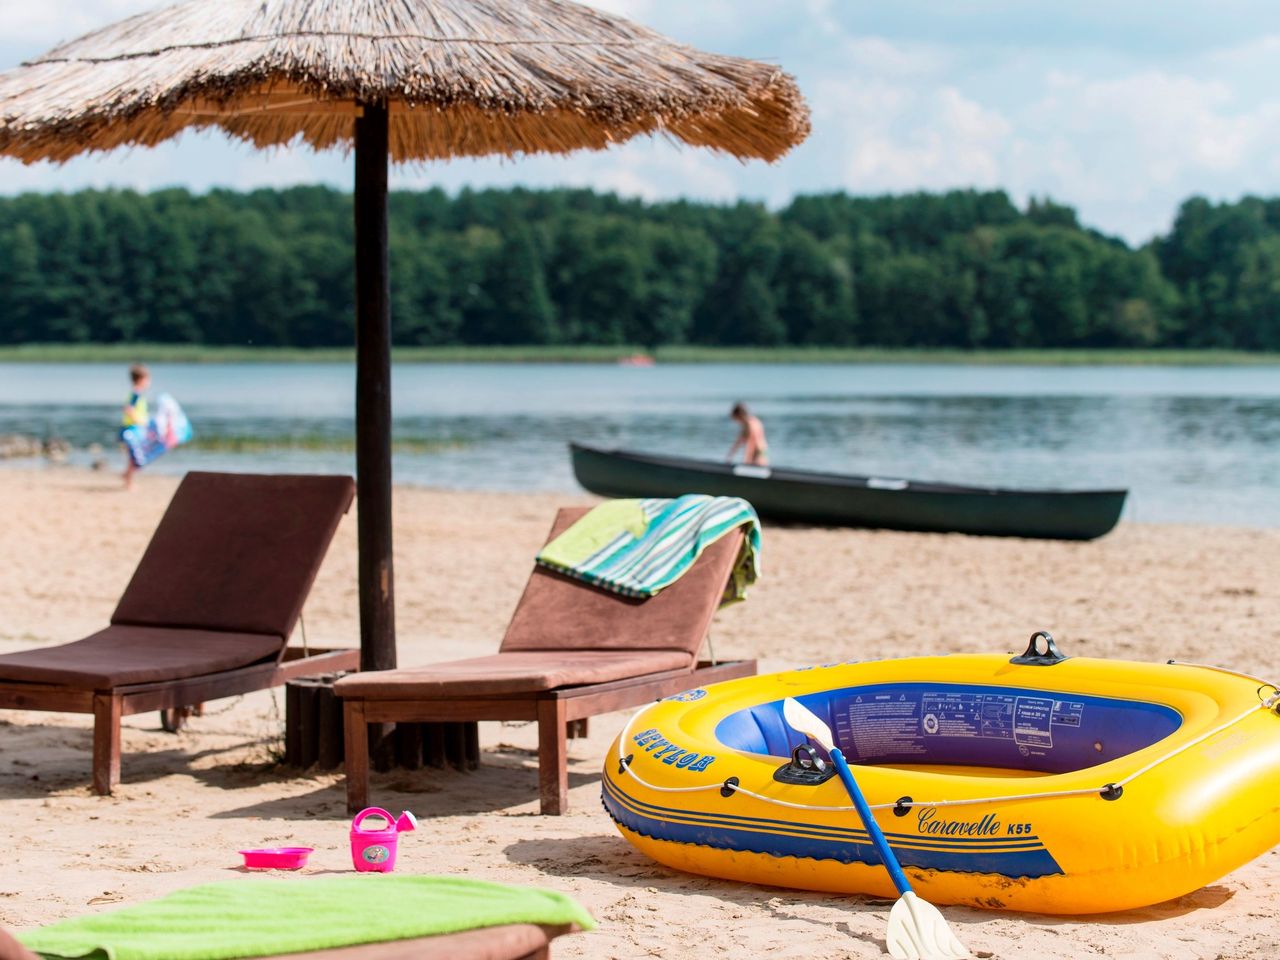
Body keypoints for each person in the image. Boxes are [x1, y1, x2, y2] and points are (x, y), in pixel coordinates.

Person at [120, 363, 150, 490]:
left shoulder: (136, 393)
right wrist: (141, 421)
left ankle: (127, 477)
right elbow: (128, 409)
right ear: (141, 379)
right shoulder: (136, 394)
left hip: (132, 429)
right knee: (134, 456)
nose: (149, 382)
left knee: (132, 457)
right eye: (148, 379)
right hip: (132, 429)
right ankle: (129, 481)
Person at [728, 402, 769, 466]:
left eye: (735, 418)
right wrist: (730, 456)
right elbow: (739, 441)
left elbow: (751, 444)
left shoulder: (749, 425)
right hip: (763, 451)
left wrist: (746, 461)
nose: (736, 422)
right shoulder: (754, 420)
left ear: (739, 415)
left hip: (757, 453)